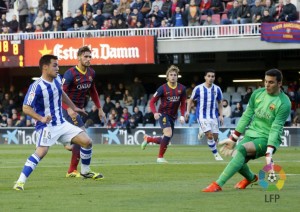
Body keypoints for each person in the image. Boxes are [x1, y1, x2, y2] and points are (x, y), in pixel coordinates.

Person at [13, 55, 104, 191]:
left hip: (62, 123)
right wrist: (41, 118)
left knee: (87, 141)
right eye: (55, 65)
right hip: (46, 126)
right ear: (45, 67)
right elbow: (26, 108)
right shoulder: (36, 86)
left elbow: (61, 94)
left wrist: (74, 107)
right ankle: (20, 182)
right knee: (41, 152)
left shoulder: (57, 80)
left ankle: (85, 171)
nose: (58, 68)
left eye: (58, 65)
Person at [202, 69, 291, 192]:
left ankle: (218, 184)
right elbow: (247, 115)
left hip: (267, 137)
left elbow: (276, 127)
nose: (267, 85)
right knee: (236, 155)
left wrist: (269, 152)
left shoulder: (284, 103)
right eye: (265, 81)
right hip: (251, 133)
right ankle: (251, 178)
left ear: (279, 83)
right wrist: (234, 138)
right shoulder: (257, 94)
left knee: (242, 149)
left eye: (271, 82)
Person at [62, 46, 106, 178]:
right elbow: (59, 93)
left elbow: (93, 91)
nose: (88, 59)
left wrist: (99, 108)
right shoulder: (70, 74)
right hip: (66, 109)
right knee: (85, 139)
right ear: (79, 57)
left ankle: (72, 170)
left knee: (80, 141)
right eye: (85, 56)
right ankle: (83, 171)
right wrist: (69, 109)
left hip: (78, 110)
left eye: (89, 56)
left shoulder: (91, 73)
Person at [141, 65, 186, 163]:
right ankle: (160, 157)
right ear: (167, 76)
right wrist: (155, 112)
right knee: (168, 134)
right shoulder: (162, 88)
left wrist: (182, 115)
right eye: (171, 75)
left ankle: (149, 139)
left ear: (177, 76)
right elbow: (152, 101)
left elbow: (183, 103)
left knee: (166, 138)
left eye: (175, 75)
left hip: (173, 116)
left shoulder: (182, 88)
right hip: (163, 114)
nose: (173, 76)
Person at [186, 69, 224, 161]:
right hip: (202, 115)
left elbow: (220, 102)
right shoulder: (198, 88)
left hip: (213, 116)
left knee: (215, 138)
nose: (211, 78)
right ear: (205, 77)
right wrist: (188, 111)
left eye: (212, 76)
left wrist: (221, 115)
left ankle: (201, 130)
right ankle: (216, 155)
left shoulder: (217, 89)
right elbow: (191, 100)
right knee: (209, 135)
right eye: (209, 76)